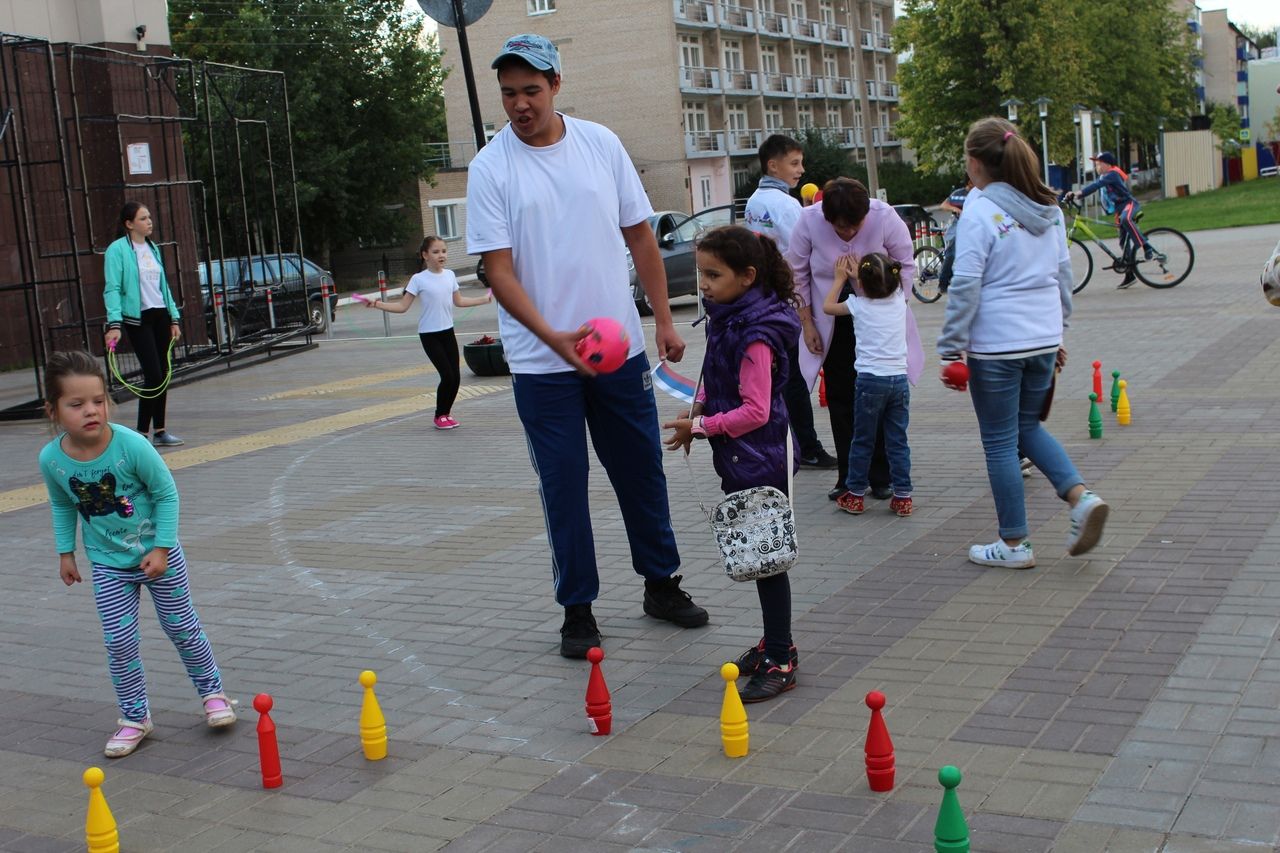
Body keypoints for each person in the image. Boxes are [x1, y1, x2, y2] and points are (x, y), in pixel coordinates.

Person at [466, 34, 707, 658]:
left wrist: (663, 321)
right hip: (542, 363)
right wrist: (549, 336)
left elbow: (642, 240)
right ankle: (577, 609)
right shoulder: (492, 167)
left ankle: (662, 584)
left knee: (640, 472)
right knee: (564, 484)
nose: (521, 104)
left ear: (556, 86)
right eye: (510, 93)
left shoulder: (601, 144)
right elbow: (498, 270)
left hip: (617, 354)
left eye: (532, 90)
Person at [37, 350, 235, 758]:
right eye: (76, 404)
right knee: (119, 642)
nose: (91, 411)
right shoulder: (52, 459)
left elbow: (166, 494)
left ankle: (213, 693)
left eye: (98, 401)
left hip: (159, 557)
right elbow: (62, 504)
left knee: (181, 629)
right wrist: (65, 554)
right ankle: (134, 717)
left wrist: (162, 548)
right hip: (109, 565)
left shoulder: (130, 446)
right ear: (53, 410)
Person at [938, 117, 1110, 569]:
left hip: (997, 345)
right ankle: (1081, 498)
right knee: (1027, 427)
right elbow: (1063, 276)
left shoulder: (979, 211)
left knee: (999, 442)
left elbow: (966, 283)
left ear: (975, 164)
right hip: (1042, 338)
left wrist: (951, 344)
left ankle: (1013, 545)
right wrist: (1057, 333)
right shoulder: (1049, 208)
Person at [663, 226, 800, 702]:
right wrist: (698, 408)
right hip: (745, 453)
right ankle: (773, 642)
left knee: (768, 562)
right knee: (761, 559)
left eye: (712, 274)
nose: (703, 284)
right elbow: (719, 382)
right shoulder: (729, 317)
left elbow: (755, 410)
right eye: (700, 272)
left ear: (747, 277)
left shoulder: (755, 333)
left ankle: (781, 657)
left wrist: (701, 428)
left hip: (762, 455)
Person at [787, 177, 923, 501]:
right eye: (839, 227)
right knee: (841, 398)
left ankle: (882, 476)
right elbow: (796, 275)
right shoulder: (808, 220)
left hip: (878, 324)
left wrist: (891, 310)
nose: (847, 233)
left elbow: (905, 265)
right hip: (830, 320)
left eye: (854, 226)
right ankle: (848, 476)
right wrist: (806, 324)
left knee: (878, 397)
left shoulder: (885, 216)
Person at [744, 134, 837, 471]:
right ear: (773, 165)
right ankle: (808, 446)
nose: (801, 170)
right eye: (794, 163)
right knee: (794, 376)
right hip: (788, 296)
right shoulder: (785, 204)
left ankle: (793, 443)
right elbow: (806, 246)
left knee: (784, 376)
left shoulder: (755, 200)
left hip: (767, 295)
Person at [365, 236, 493, 429]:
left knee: (456, 377)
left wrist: (482, 300)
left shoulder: (450, 275)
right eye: (436, 252)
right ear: (425, 255)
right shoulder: (418, 279)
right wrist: (377, 304)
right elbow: (402, 306)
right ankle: (439, 415)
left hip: (448, 332)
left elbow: (459, 301)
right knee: (447, 376)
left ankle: (446, 413)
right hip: (429, 335)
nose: (441, 255)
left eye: (443, 251)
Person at [823, 253, 914, 516]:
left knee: (862, 440)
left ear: (860, 284)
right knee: (897, 441)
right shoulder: (899, 300)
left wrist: (841, 279)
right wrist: (860, 276)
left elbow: (828, 307)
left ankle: (855, 494)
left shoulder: (857, 304)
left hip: (870, 382)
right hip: (899, 380)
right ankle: (903, 496)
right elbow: (882, 284)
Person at [103, 202, 184, 447]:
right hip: (137, 319)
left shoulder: (152, 247)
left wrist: (174, 318)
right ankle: (140, 434)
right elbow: (113, 288)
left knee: (164, 374)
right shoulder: (117, 250)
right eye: (143, 218)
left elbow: (163, 286)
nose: (149, 222)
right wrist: (114, 324)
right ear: (129, 224)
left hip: (160, 315)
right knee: (153, 374)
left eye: (149, 217)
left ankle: (159, 430)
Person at [1064, 152, 1152, 288]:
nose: (1097, 167)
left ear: (1108, 164)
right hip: (1119, 209)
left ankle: (1146, 246)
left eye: (1099, 164)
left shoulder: (1111, 174)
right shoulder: (1105, 176)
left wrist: (1077, 194)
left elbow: (1095, 186)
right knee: (1123, 243)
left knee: (1126, 220)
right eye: (1096, 164)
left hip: (1129, 205)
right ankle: (1129, 275)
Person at [937, 177, 972, 292]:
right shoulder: (958, 193)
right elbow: (943, 205)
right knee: (952, 253)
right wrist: (955, 209)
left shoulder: (979, 193)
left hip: (970, 226)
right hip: (956, 225)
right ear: (969, 182)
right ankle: (942, 283)